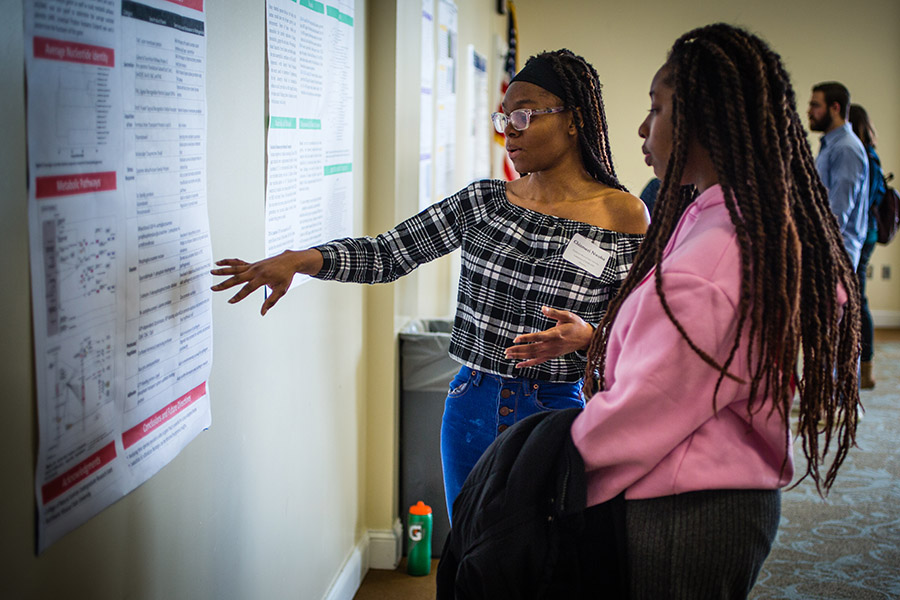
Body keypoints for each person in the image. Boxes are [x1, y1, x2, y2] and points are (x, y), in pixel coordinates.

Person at [211, 49, 649, 518]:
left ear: (573, 120)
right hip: (471, 404)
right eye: (505, 119)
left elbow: (639, 328)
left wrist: (589, 337)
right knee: (471, 553)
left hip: (557, 411)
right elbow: (389, 253)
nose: (511, 131)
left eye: (524, 115)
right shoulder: (484, 201)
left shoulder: (622, 216)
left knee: (541, 561)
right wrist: (304, 259)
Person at [565, 24, 860, 598]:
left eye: (657, 108)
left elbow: (643, 414)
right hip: (700, 496)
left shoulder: (717, 255)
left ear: (703, 118)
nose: (643, 128)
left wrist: (544, 469)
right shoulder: (718, 217)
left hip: (688, 512)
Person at [808, 81, 869, 269]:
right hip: (827, 251)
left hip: (836, 255)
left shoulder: (846, 148)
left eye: (815, 105)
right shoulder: (832, 145)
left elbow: (839, 210)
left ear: (835, 108)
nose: (809, 111)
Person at [848, 103, 887, 389]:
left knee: (858, 299)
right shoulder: (867, 153)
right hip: (867, 233)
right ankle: (865, 369)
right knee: (858, 297)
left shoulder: (862, 156)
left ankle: (867, 369)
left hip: (865, 234)